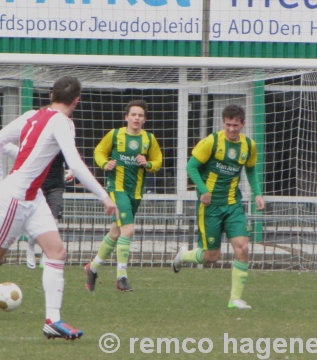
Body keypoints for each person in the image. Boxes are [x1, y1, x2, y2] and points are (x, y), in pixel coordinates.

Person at [0, 76, 117, 339]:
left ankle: (53, 320)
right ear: (77, 101)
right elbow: (75, 162)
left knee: (57, 252)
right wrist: (104, 196)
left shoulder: (32, 115)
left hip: (31, 197)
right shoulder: (63, 122)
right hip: (16, 197)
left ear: (51, 96)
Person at [172, 104, 265, 310]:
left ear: (243, 124)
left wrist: (257, 193)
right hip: (210, 206)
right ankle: (183, 256)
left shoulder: (249, 146)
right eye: (228, 125)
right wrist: (204, 190)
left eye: (235, 125)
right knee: (211, 257)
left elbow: (250, 170)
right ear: (224, 123)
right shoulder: (212, 142)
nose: (231, 129)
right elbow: (191, 166)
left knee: (243, 247)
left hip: (233, 204)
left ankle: (235, 299)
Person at [84, 100, 163, 292]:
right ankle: (121, 277)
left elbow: (158, 161)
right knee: (128, 229)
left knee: (116, 232)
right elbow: (99, 151)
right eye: (133, 114)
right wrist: (104, 164)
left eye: (140, 115)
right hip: (117, 189)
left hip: (135, 192)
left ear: (144, 119)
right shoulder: (115, 134)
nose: (136, 118)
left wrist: (148, 164)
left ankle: (92, 268)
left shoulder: (149, 139)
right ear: (126, 117)